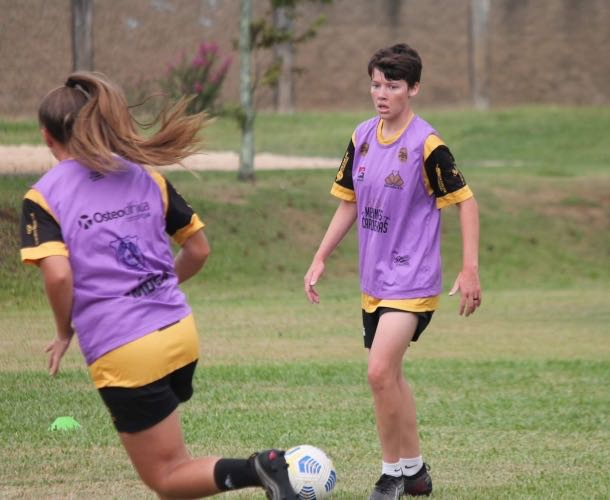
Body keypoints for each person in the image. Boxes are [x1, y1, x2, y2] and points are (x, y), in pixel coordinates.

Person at [20, 71, 298, 500]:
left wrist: (64, 331)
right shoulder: (145, 176)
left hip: (127, 350)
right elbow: (199, 250)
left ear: (46, 136)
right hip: (181, 335)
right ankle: (260, 470)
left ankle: (259, 468)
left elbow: (58, 274)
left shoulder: (44, 196)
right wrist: (157, 285)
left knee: (167, 478)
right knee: (173, 461)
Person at [304, 43, 481, 499]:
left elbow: (466, 203)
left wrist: (470, 268)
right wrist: (321, 256)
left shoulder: (428, 145)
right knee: (393, 377)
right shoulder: (362, 136)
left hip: (413, 280)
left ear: (414, 88)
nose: (381, 93)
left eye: (393, 85)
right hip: (374, 282)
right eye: (376, 83)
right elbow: (349, 202)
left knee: (379, 372)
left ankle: (391, 476)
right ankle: (416, 471)